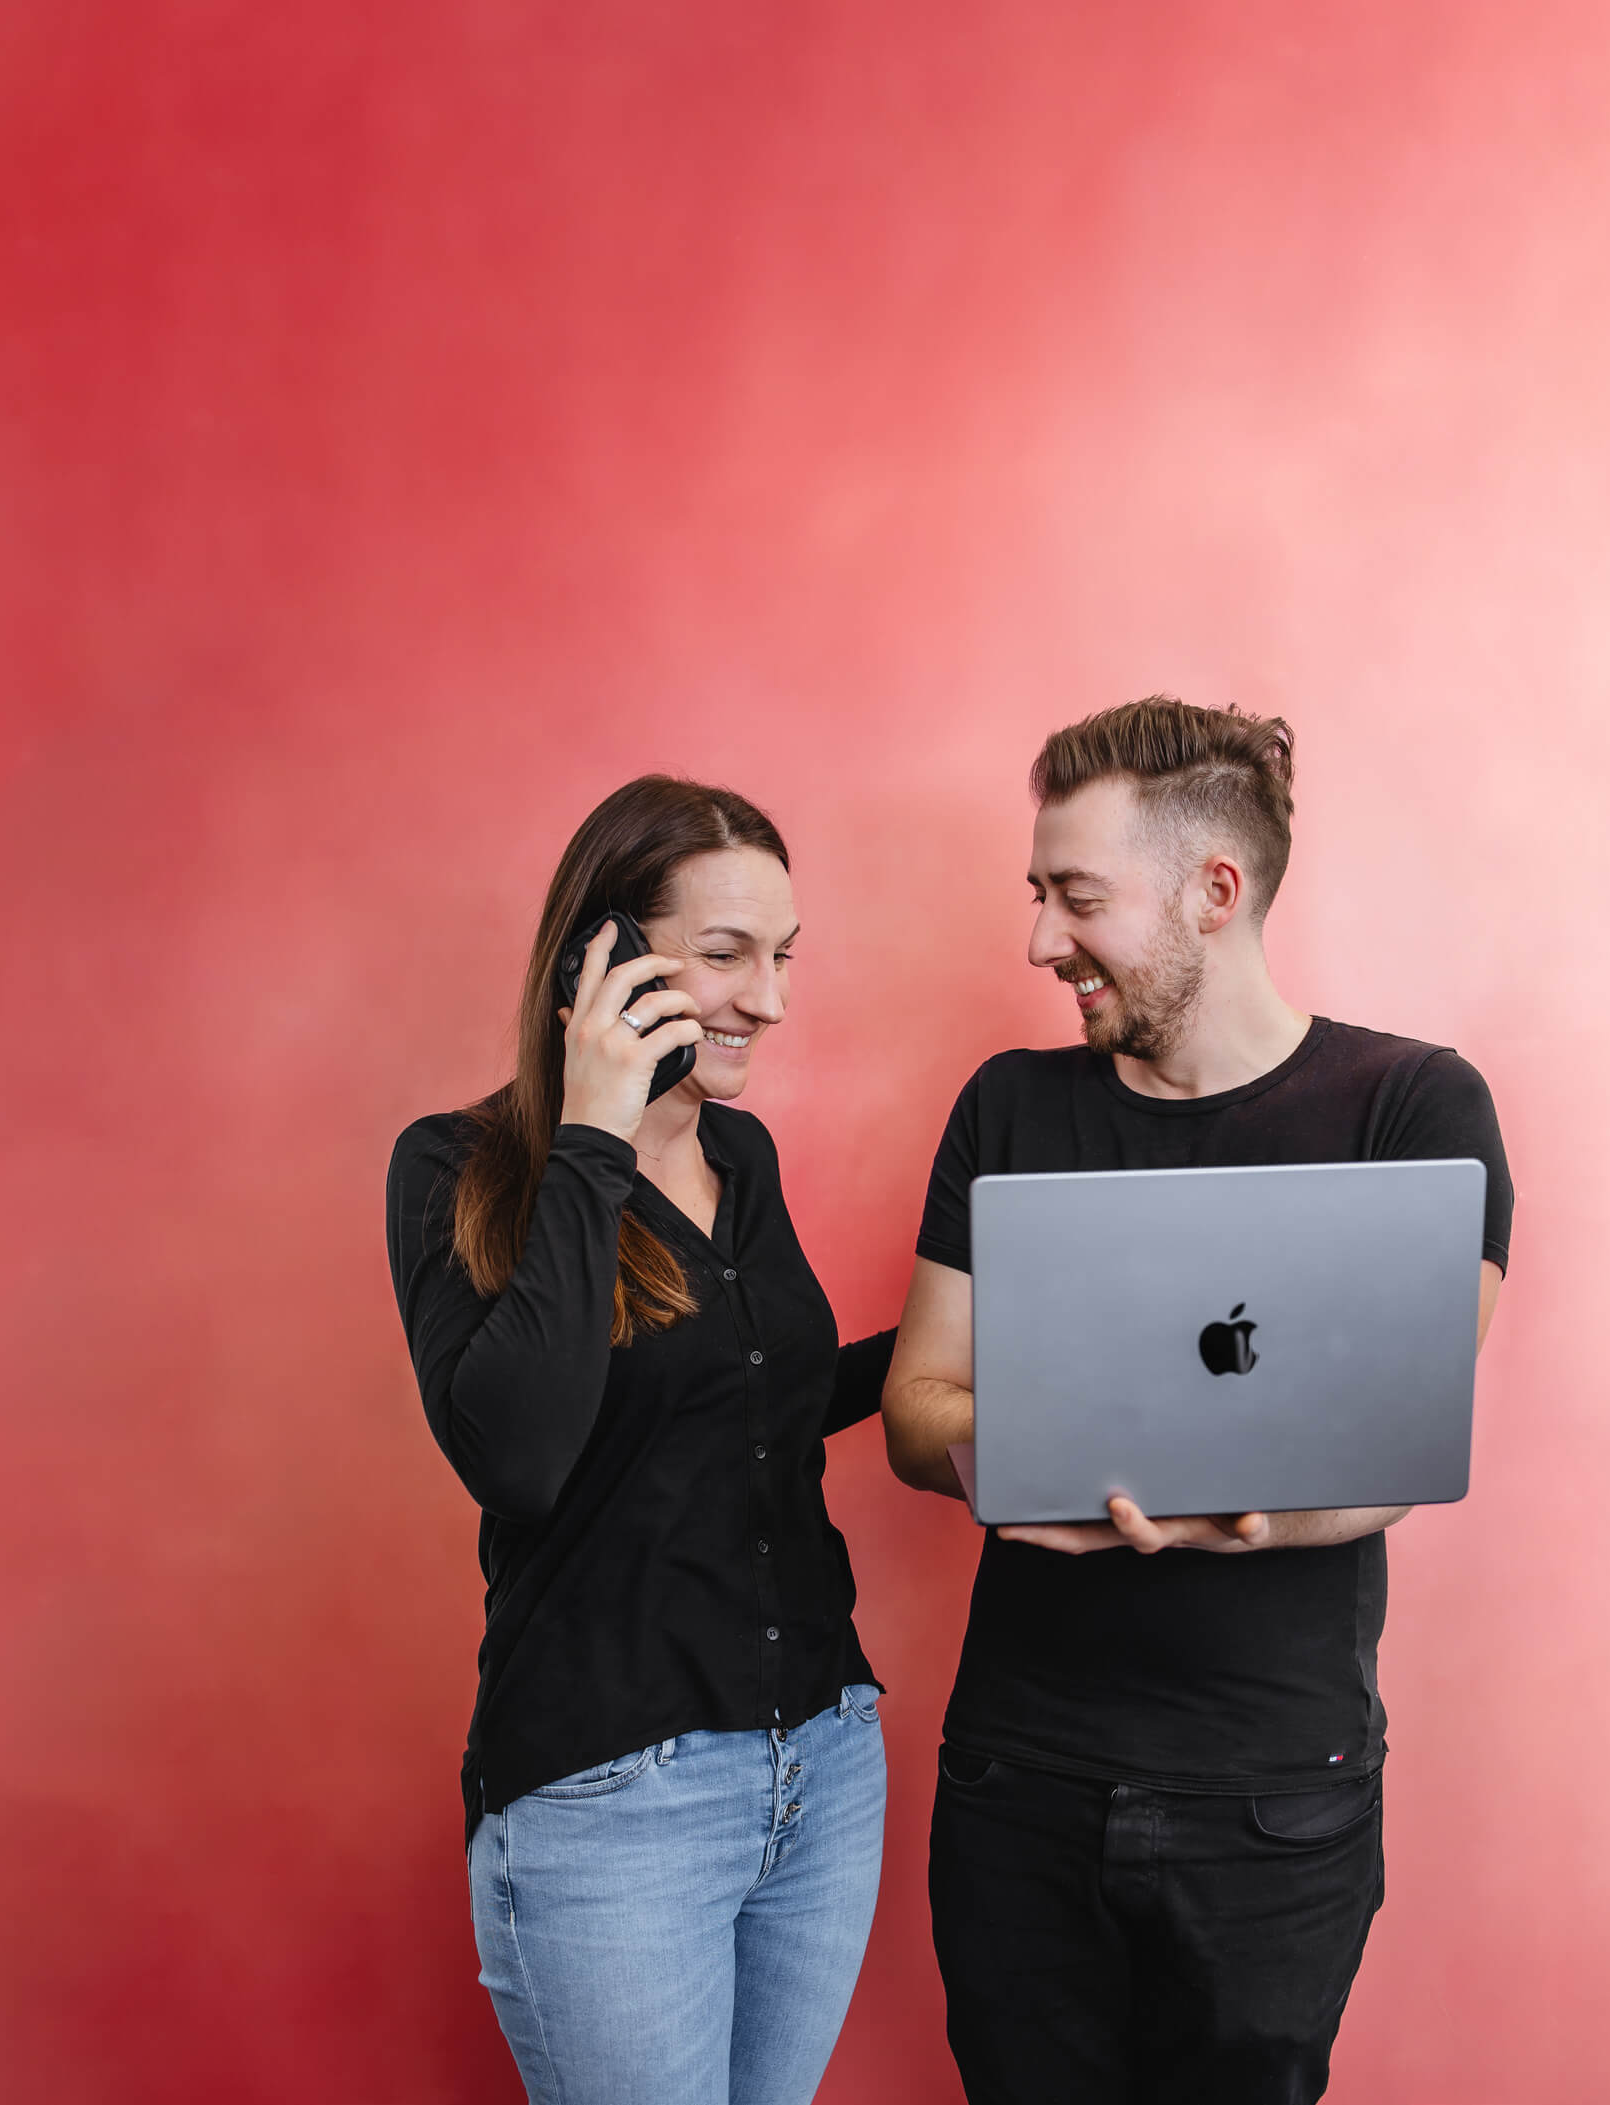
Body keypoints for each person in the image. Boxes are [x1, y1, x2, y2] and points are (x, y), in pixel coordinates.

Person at [882, 698, 1514, 2104]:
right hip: (1021, 1780)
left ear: (1213, 892)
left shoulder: (1412, 1112)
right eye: (1038, 893)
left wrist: (1229, 1518)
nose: (1042, 939)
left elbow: (1407, 1435)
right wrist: (1015, 1454)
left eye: (1077, 896)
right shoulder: (1010, 1106)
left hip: (1278, 1792)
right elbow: (913, 1400)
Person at [385, 775, 892, 2105]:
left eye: (782, 956)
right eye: (726, 953)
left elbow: (748, 1397)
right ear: (596, 960)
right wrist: (598, 1132)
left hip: (823, 1763)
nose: (768, 1000)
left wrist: (957, 1343)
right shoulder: (455, 1168)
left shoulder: (748, 1158)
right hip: (617, 1799)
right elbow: (522, 1454)